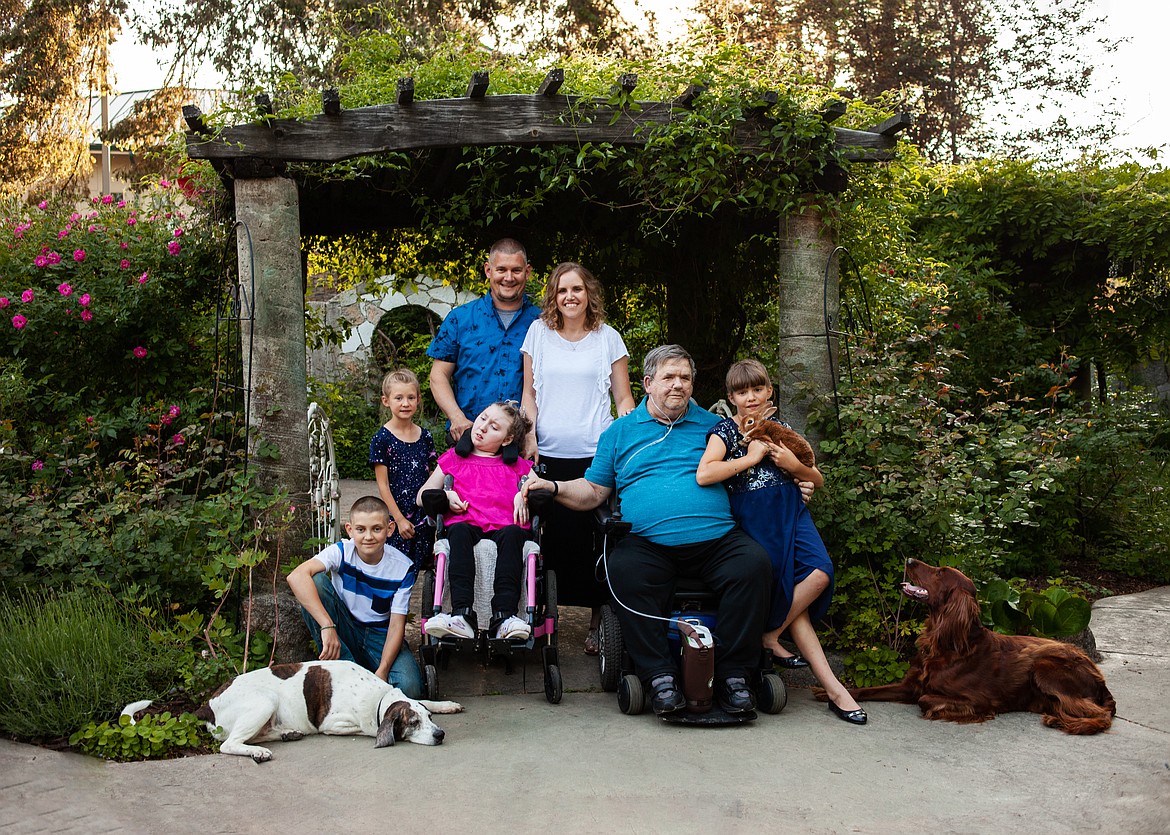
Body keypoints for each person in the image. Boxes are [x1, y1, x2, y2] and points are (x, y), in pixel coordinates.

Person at [521, 345, 771, 716]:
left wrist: (801, 481)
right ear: (648, 383)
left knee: (754, 565)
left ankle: (734, 675)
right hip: (649, 543)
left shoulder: (715, 426)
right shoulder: (619, 432)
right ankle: (659, 676)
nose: (678, 385)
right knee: (623, 568)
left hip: (716, 538)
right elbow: (593, 491)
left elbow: (759, 466)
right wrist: (554, 487)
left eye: (685, 378)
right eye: (669, 377)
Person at [696, 359, 866, 725]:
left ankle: (770, 632)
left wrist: (793, 464)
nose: (751, 397)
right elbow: (705, 473)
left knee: (821, 572)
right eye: (743, 392)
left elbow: (816, 479)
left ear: (770, 391)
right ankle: (837, 692)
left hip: (792, 514)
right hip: (757, 520)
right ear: (731, 397)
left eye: (758, 389)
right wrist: (751, 458)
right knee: (793, 596)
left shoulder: (782, 428)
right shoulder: (724, 431)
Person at [520, 262, 636, 656]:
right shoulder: (538, 334)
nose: (569, 297)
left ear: (589, 294)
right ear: (553, 296)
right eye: (561, 290)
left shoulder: (608, 338)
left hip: (596, 455)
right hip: (548, 453)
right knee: (548, 540)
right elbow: (529, 396)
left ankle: (597, 623)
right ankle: (542, 619)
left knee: (598, 540)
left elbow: (623, 398)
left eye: (577, 289)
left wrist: (630, 435)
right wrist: (529, 434)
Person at [416, 400, 536, 641]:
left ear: (507, 440)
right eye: (482, 418)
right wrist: (446, 496)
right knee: (458, 531)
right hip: (466, 523)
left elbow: (539, 487)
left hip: (505, 526)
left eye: (494, 426)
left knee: (514, 535)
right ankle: (461, 614)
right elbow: (421, 497)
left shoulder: (518, 466)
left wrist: (523, 494)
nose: (482, 427)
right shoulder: (453, 458)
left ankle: (504, 616)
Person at [286, 495, 424, 698]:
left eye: (377, 529)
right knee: (315, 582)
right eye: (361, 529)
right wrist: (327, 625)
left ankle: (364, 678)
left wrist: (383, 671)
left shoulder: (403, 568)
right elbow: (296, 576)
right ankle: (345, 673)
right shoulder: (342, 551)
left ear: (390, 529)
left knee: (410, 688)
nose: (368, 536)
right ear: (350, 530)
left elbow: (396, 625)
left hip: (381, 635)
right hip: (345, 626)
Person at [427, 238, 542, 442]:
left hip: (522, 442)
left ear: (528, 272)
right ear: (488, 270)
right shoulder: (459, 319)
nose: (508, 277)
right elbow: (438, 376)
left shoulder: (543, 323)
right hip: (468, 436)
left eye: (516, 270)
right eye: (501, 269)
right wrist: (456, 418)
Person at [369, 368, 437, 566]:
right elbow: (383, 485)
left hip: (423, 516)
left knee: (420, 566)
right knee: (394, 568)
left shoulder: (425, 437)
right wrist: (398, 519)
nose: (405, 403)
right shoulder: (382, 439)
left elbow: (433, 475)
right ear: (386, 400)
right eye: (398, 398)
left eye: (411, 397)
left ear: (418, 399)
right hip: (397, 516)